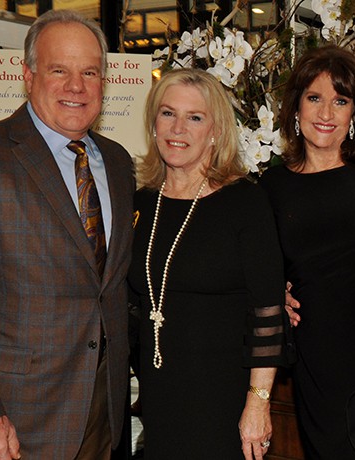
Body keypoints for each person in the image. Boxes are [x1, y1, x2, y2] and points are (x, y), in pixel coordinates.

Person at [0, 9, 135, 459]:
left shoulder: (117, 163)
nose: (77, 86)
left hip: (104, 410)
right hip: (12, 420)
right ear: (29, 75)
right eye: (60, 70)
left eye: (89, 72)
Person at [128, 68, 291, 460]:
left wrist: (258, 403)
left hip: (224, 399)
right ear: (153, 123)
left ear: (215, 131)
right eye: (168, 113)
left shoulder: (244, 204)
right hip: (157, 394)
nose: (177, 127)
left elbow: (268, 311)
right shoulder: (141, 201)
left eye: (194, 117)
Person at [260, 45, 355, 459]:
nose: (326, 113)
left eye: (340, 101)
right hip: (314, 359)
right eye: (314, 98)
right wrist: (272, 294)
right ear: (296, 107)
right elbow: (259, 264)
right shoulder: (271, 185)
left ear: (354, 113)